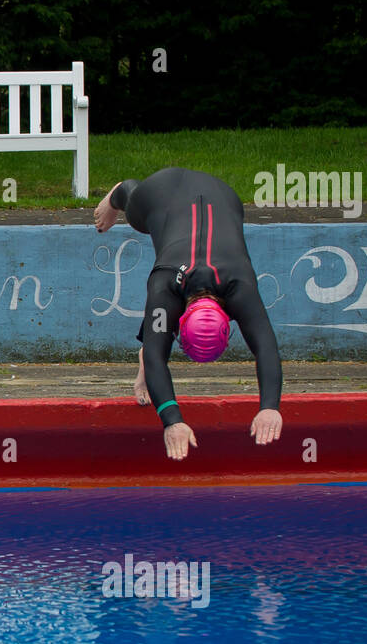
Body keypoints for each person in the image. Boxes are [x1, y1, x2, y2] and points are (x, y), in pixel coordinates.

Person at [93, 167, 283, 461]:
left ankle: (152, 341)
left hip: (225, 197)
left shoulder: (239, 286)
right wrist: (172, 421)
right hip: (160, 193)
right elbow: (157, 357)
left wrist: (270, 407)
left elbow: (266, 347)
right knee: (134, 207)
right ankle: (120, 193)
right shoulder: (165, 283)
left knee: (156, 336)